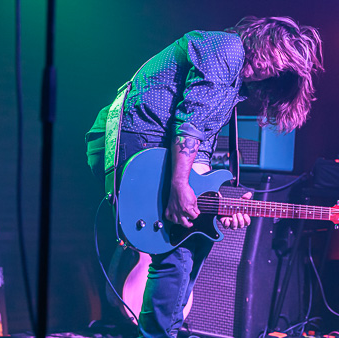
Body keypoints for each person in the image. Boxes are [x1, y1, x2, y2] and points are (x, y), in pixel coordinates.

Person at [86, 16, 323, 337]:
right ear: (261, 39)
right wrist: (180, 186)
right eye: (269, 60)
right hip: (138, 140)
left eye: (275, 71)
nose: (265, 71)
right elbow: (190, 122)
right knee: (177, 250)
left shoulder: (233, 84)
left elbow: (203, 147)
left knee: (190, 243)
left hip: (152, 146)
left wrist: (214, 200)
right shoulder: (226, 47)